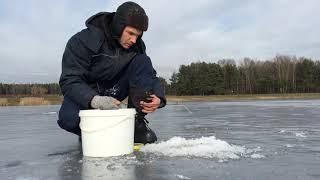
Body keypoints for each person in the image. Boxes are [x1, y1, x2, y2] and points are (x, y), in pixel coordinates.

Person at [57, 1, 166, 144]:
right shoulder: (82, 40)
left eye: (138, 35)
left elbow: (149, 74)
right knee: (68, 119)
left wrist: (158, 97)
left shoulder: (137, 45)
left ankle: (135, 124)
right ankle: (91, 131)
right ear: (119, 26)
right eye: (130, 33)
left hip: (116, 88)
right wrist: (94, 100)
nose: (134, 40)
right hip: (88, 91)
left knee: (142, 60)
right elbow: (69, 80)